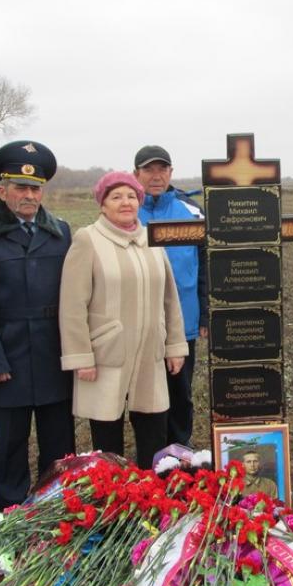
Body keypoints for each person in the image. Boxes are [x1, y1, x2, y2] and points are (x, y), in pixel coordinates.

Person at [0, 141, 76, 510]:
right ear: (3, 190)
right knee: (10, 441)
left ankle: (55, 502)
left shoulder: (60, 232)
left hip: (52, 353)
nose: (28, 195)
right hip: (8, 353)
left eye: (35, 188)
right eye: (20, 187)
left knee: (58, 438)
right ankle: (12, 507)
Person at [59, 171, 188, 469]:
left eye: (131, 196)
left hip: (149, 352)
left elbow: (170, 297)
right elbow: (73, 304)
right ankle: (113, 495)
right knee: (107, 437)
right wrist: (81, 356)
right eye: (116, 196)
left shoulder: (150, 238)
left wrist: (175, 346)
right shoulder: (88, 239)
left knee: (153, 427)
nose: (125, 202)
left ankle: (152, 494)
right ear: (102, 204)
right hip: (106, 353)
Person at [133, 145, 207, 447]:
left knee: (180, 392)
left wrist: (205, 314)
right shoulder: (127, 211)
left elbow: (207, 267)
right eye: (149, 169)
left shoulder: (191, 212)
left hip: (183, 321)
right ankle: (149, 454)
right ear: (135, 174)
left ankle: (179, 452)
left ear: (171, 173)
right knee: (143, 394)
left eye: (162, 169)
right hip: (138, 324)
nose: (156, 175)